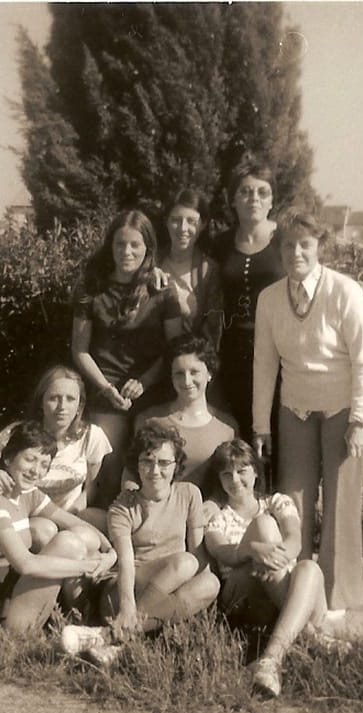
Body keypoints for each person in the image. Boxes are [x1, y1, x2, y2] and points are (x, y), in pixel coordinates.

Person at [253, 209, 363, 611]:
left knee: (340, 506)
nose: (296, 253)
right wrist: (261, 425)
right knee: (291, 505)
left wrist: (360, 420)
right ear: (279, 250)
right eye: (288, 245)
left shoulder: (345, 291)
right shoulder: (269, 298)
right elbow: (264, 365)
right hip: (296, 411)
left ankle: (335, 600)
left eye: (304, 244)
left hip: (347, 412)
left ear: (319, 246)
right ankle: (295, 593)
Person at [60, 423, 220, 665]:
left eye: (164, 462)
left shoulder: (189, 494)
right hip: (123, 592)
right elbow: (125, 563)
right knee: (186, 562)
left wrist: (204, 604)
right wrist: (127, 608)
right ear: (137, 464)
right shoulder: (123, 507)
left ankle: (111, 637)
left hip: (168, 590)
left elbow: (198, 552)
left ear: (176, 465)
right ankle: (124, 627)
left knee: (210, 583)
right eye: (147, 461)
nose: (155, 470)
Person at [203, 440, 346, 698]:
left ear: (256, 472)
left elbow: (294, 541)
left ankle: (270, 661)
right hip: (242, 595)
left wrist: (271, 557)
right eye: (226, 474)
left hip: (279, 588)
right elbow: (222, 552)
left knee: (309, 568)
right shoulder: (218, 516)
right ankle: (311, 635)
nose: (234, 480)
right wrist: (251, 550)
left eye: (242, 471)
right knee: (263, 525)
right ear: (219, 479)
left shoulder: (277, 502)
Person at [0, 422, 116, 631]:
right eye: (30, 459)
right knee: (68, 544)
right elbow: (25, 565)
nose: (36, 471)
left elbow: (75, 522)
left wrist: (110, 553)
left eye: (44, 464)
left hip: (8, 582)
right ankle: (84, 618)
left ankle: (83, 618)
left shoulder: (27, 493)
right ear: (9, 458)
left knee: (83, 536)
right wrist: (89, 567)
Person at [72, 210, 183, 505]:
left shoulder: (162, 289)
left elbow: (174, 348)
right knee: (106, 471)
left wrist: (144, 381)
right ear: (110, 245)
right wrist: (106, 388)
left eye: (135, 244)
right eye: (120, 244)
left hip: (152, 389)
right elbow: (80, 350)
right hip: (105, 391)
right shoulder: (91, 288)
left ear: (147, 247)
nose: (127, 251)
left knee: (151, 469)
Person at [210, 156, 283, 440]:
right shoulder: (220, 244)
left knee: (276, 432)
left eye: (262, 192)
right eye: (245, 191)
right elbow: (184, 261)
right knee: (239, 433)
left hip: (280, 351)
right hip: (234, 353)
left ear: (272, 200)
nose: (254, 198)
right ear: (233, 200)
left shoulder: (285, 239)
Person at [0, 366, 112, 531]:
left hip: (71, 515)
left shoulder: (92, 436)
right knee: (45, 529)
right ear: (41, 402)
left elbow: (91, 485)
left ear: (79, 406)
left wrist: (75, 512)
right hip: (27, 518)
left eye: (70, 399)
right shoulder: (17, 433)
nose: (62, 406)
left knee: (106, 521)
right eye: (54, 398)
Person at [133, 334, 236, 498]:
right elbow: (131, 473)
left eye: (194, 372)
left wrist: (214, 505)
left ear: (209, 374)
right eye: (179, 373)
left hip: (207, 510)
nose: (187, 381)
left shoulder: (227, 428)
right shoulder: (149, 419)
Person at [157, 188, 222, 350]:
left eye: (191, 221)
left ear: (203, 225)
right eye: (176, 220)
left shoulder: (209, 271)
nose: (182, 228)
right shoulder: (151, 262)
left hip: (188, 359)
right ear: (166, 221)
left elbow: (212, 334)